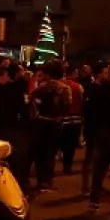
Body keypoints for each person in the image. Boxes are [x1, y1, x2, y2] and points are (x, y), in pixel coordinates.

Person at [83, 64, 110, 209]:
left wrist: (90, 133)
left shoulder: (98, 91)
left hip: (101, 134)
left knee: (99, 168)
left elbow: (89, 113)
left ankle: (94, 198)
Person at [29, 61, 73, 193]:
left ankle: (40, 180)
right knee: (50, 153)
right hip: (55, 123)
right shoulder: (65, 89)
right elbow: (67, 105)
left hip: (40, 122)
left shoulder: (40, 88)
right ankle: (48, 182)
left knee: (39, 152)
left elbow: (32, 104)